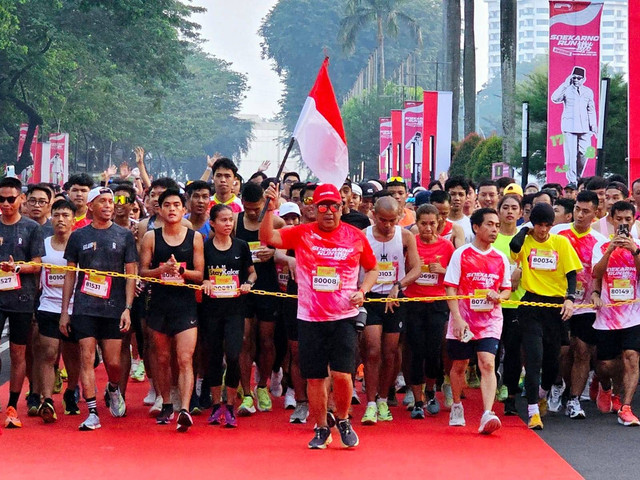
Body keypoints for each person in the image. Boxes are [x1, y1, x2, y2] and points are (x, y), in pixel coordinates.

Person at [260, 182, 378, 449]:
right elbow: (269, 238)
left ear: (341, 207)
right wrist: (271, 209)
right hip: (310, 317)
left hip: (344, 316)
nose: (328, 212)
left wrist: (363, 290)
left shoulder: (355, 236)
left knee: (342, 375)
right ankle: (322, 427)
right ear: (314, 208)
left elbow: (372, 270)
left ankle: (344, 420)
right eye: (322, 206)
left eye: (333, 206)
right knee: (313, 377)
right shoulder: (302, 233)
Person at [60, 187, 138, 430]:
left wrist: (127, 308)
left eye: (111, 201)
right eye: (102, 201)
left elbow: (131, 274)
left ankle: (113, 388)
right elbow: (70, 275)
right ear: (91, 205)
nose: (108, 205)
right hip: (85, 306)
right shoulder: (78, 236)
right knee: (86, 357)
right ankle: (92, 412)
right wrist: (65, 310)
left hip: (113, 307)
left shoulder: (124, 236)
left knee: (113, 362)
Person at [509, 203, 582, 430]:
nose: (543, 230)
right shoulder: (526, 240)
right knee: (534, 357)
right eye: (539, 225)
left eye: (547, 225)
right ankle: (532, 411)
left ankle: (541, 393)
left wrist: (569, 298)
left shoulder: (560, 242)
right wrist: (524, 230)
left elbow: (571, 274)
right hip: (531, 304)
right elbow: (514, 247)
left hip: (555, 306)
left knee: (552, 361)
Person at [139, 189, 204, 432]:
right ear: (159, 209)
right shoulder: (151, 237)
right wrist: (162, 269)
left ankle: (185, 409)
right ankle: (166, 402)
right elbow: (142, 272)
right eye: (167, 205)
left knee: (185, 358)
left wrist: (182, 272)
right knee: (163, 358)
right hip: (159, 304)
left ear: (184, 209)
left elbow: (199, 274)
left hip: (185, 305)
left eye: (177, 204)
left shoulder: (194, 238)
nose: (172, 209)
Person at [444, 208, 511, 434]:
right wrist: (457, 318)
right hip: (463, 319)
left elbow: (506, 290)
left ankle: (487, 413)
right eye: (489, 224)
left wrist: (498, 296)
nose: (494, 229)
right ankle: (456, 405)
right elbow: (450, 287)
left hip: (490, 320)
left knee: (488, 363)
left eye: (497, 226)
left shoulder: (501, 257)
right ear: (476, 227)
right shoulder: (461, 254)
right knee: (460, 365)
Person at [360, 197, 420, 425]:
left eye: (392, 221)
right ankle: (371, 403)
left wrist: (399, 285)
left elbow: (416, 267)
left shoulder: (405, 236)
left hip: (395, 298)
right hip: (371, 298)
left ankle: (384, 399)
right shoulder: (363, 236)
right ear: (373, 214)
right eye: (382, 220)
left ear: (399, 217)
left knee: (390, 352)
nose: (387, 225)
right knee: (373, 350)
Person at [550, 190, 606, 419]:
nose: (580, 215)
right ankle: (557, 384)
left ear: (596, 213)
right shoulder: (557, 233)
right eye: (577, 210)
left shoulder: (600, 242)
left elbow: (600, 274)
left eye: (585, 211)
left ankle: (574, 400)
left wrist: (596, 293)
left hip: (585, 305)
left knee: (583, 351)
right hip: (558, 301)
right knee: (561, 351)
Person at [201, 204, 256, 428]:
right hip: (211, 311)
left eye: (230, 220)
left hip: (235, 310)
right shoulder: (205, 247)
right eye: (223, 220)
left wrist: (248, 284)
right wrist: (203, 280)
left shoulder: (241, 246)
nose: (228, 224)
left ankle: (231, 405)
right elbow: (199, 272)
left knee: (233, 355)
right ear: (212, 223)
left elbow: (252, 272)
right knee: (213, 357)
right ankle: (216, 406)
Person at [235, 182, 285, 415]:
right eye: (249, 209)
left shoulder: (275, 222)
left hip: (268, 286)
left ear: (265, 204)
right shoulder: (235, 222)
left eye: (257, 209)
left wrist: (274, 253)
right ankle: (246, 393)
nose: (253, 213)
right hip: (243, 287)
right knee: (245, 339)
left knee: (266, 340)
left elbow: (288, 250)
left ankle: (263, 385)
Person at [0, 177, 45, 429]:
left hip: (22, 298)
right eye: (1, 199)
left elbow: (38, 263)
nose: (5, 204)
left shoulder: (31, 228)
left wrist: (16, 266)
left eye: (10, 199)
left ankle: (13, 406)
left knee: (18, 352)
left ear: (21, 199)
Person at [403, 204, 455, 419]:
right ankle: (417, 400)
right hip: (413, 302)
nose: (427, 228)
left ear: (439, 223)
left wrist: (442, 271)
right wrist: (415, 269)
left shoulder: (446, 246)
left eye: (432, 223)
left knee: (434, 351)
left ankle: (432, 391)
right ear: (416, 224)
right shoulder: (411, 244)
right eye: (423, 223)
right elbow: (402, 269)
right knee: (416, 351)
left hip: (437, 303)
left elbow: (455, 276)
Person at [591, 200, 640, 426]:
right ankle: (605, 386)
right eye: (619, 219)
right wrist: (611, 249)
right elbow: (596, 273)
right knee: (605, 365)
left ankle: (625, 406)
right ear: (610, 220)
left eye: (627, 220)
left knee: (631, 357)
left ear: (633, 220)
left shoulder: (638, 245)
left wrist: (634, 251)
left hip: (633, 314)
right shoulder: (600, 245)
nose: (623, 224)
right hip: (608, 317)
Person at [34, 199, 81, 423]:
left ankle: (71, 392)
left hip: (75, 308)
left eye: (65, 215)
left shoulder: (80, 244)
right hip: (48, 307)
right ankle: (47, 400)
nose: (61, 219)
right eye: (57, 215)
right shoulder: (42, 244)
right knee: (49, 352)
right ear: (51, 218)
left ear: (73, 219)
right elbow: (35, 275)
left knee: (73, 354)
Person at [551, 66, 597, 183]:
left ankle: (578, 176)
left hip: (585, 127)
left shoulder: (588, 91)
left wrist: (594, 127)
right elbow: (555, 98)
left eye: (579, 78)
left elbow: (591, 109)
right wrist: (565, 84)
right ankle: (572, 181)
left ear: (583, 79)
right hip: (569, 126)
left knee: (584, 152)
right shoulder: (566, 89)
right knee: (571, 156)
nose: (576, 80)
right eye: (574, 77)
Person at [444, 176, 473, 243]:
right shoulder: (438, 223)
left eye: (461, 194)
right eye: (453, 194)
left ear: (466, 197)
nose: (457, 198)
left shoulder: (471, 225)